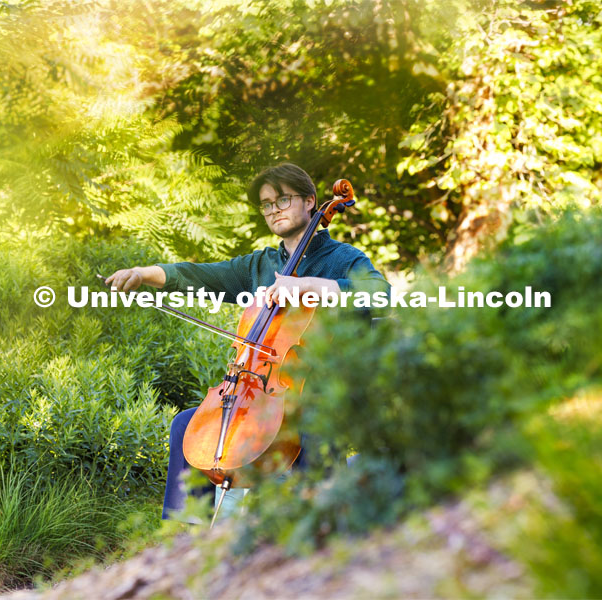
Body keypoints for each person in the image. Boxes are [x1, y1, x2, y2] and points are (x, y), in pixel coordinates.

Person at [105, 163, 389, 520]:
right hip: (265, 393)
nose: (274, 210)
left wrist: (308, 287)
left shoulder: (344, 259)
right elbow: (200, 275)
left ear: (310, 201)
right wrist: (144, 274)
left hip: (324, 391)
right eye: (267, 204)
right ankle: (187, 532)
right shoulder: (261, 265)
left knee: (313, 424)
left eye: (283, 199)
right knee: (186, 425)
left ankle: (324, 525)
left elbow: (380, 296)